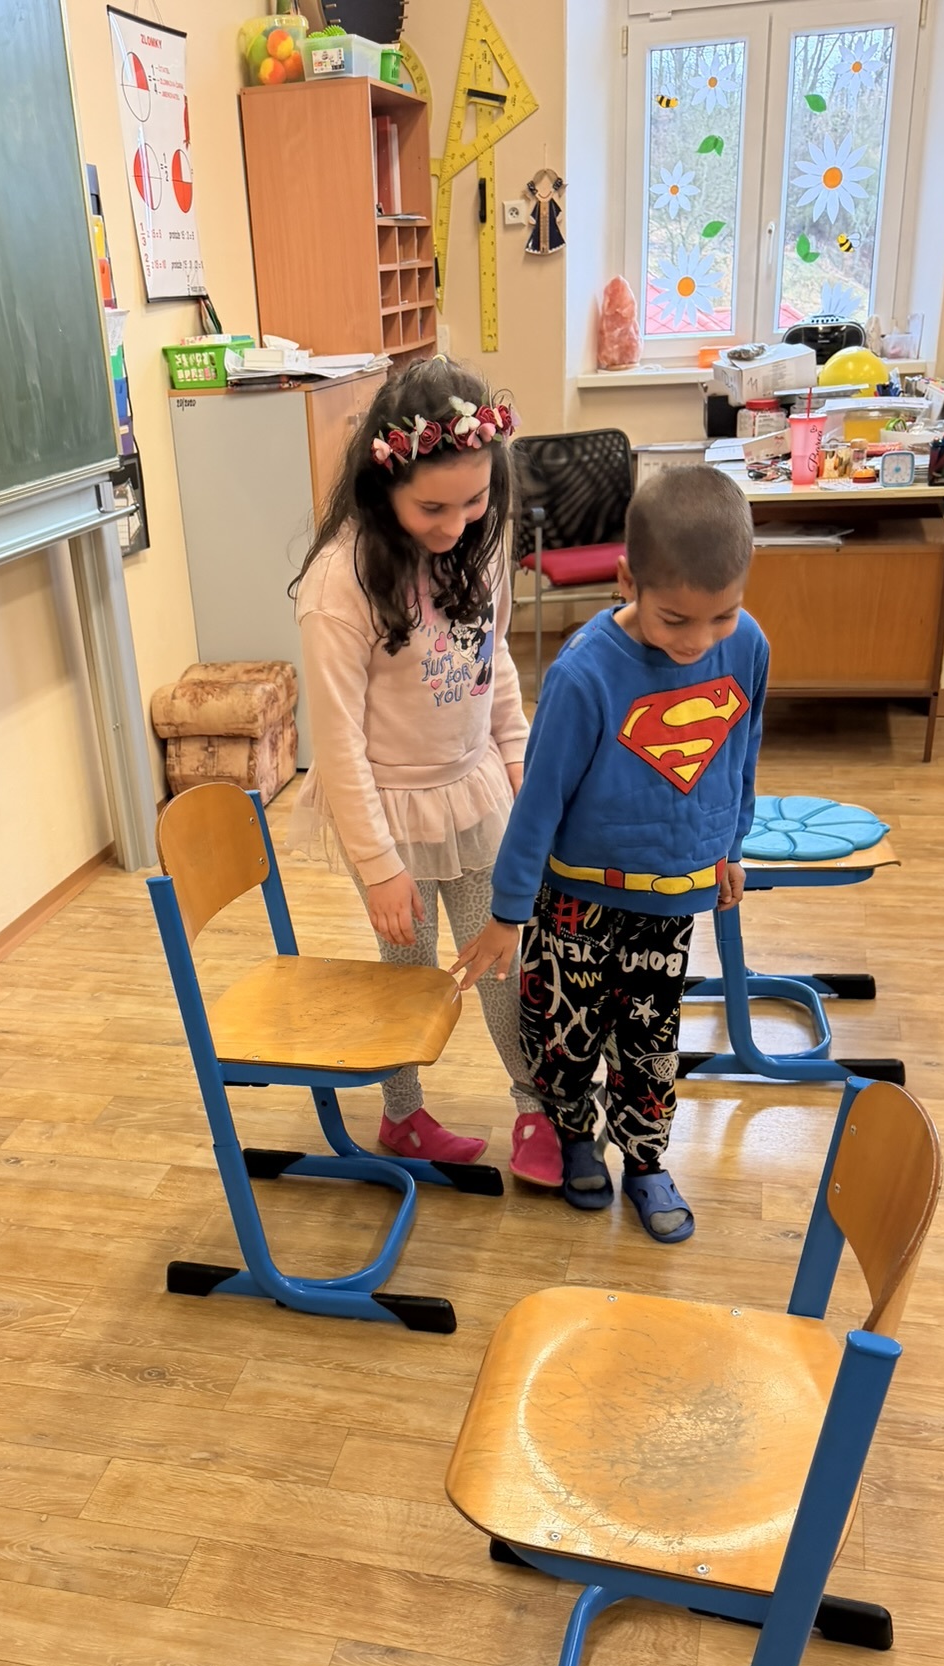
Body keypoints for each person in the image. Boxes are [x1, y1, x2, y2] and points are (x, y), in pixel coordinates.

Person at [453, 465, 767, 1241]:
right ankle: (572, 1135)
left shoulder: (748, 646)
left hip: (672, 898)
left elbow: (740, 753)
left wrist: (732, 846)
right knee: (565, 1033)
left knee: (650, 1043)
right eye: (675, 619)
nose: (698, 642)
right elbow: (539, 802)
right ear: (628, 580)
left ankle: (648, 1162)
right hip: (577, 899)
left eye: (721, 616)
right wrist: (506, 914)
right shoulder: (584, 673)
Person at [289, 359, 562, 1186]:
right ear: (385, 488)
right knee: (408, 978)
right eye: (432, 508)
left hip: (473, 792)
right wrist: (378, 868)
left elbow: (493, 659)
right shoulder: (339, 585)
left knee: (504, 962)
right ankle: (402, 1116)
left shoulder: (478, 542)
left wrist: (515, 754)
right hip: (390, 812)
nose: (456, 523)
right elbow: (338, 742)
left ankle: (535, 1106)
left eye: (473, 501)